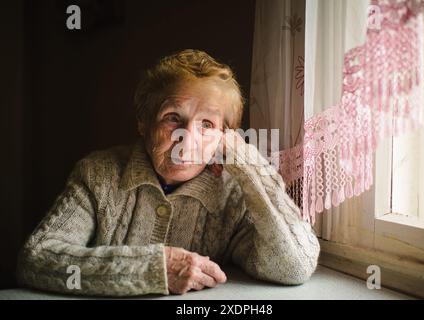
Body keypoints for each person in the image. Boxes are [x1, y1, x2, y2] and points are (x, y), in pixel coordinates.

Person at [17, 49, 320, 296]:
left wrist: (245, 159)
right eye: (173, 118)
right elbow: (36, 259)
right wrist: (154, 268)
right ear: (144, 122)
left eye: (207, 125)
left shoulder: (233, 194)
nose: (187, 138)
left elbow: (294, 266)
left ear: (225, 137)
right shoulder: (98, 174)